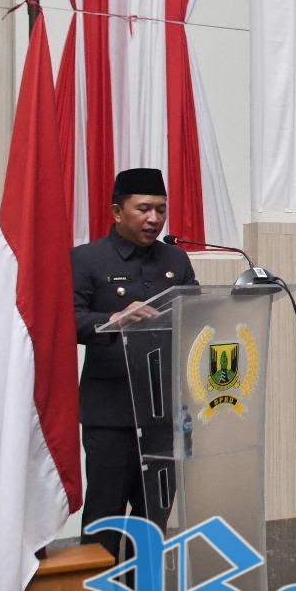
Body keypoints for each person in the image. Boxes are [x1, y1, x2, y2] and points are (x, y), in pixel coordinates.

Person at [71, 168, 197, 558]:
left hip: (164, 414)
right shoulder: (87, 259)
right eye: (143, 209)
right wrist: (114, 319)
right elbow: (68, 320)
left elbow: (196, 316)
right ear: (116, 211)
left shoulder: (176, 259)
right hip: (111, 414)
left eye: (161, 209)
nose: (154, 219)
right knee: (105, 518)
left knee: (153, 520)